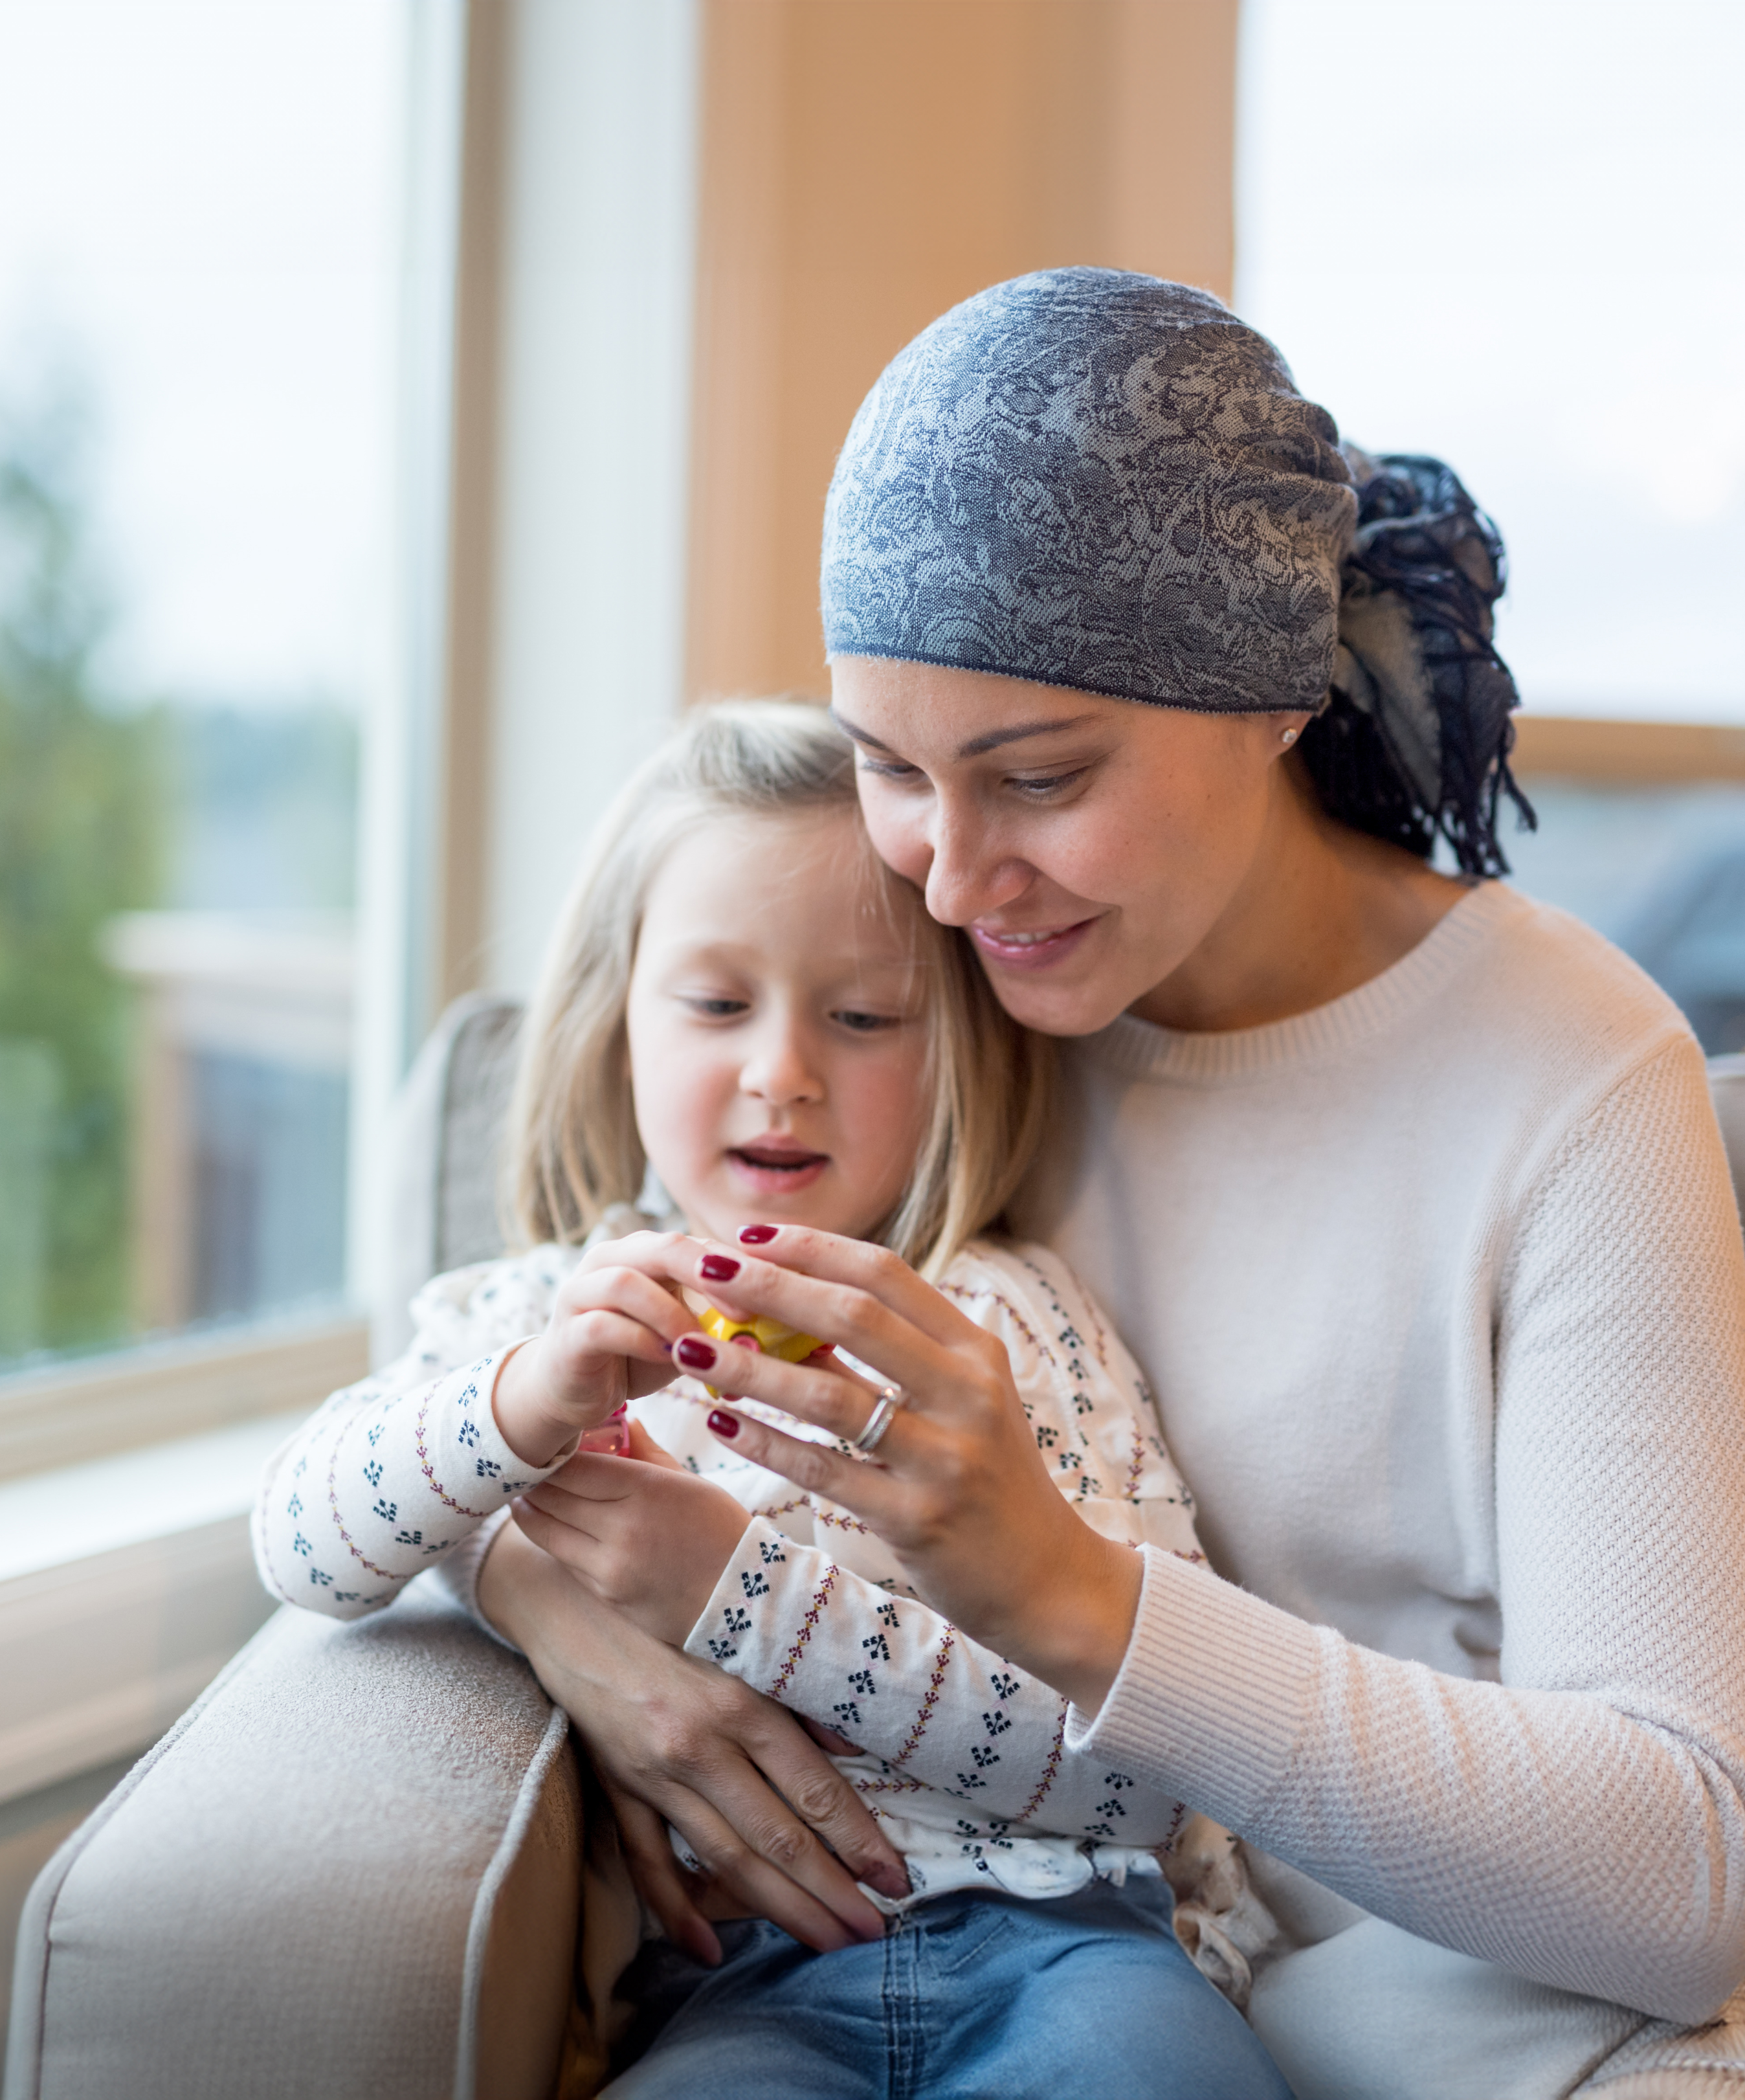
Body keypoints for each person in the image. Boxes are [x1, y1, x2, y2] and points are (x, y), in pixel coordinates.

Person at [471, 269, 1745, 2098]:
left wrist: (1074, 1593)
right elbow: (513, 1360)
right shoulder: (933, 1032)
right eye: (893, 770)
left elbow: (1688, 1877)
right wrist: (555, 1604)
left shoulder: (1571, 1072)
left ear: (1276, 698)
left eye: (1043, 775)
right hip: (1082, 2018)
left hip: (1561, 2042)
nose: (953, 874)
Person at [251, 700, 1293, 2099]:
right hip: (730, 1998)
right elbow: (302, 1541)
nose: (782, 1072)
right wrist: (513, 1411)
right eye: (716, 1002)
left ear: (959, 1050)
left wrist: (739, 1595)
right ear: (615, 1024)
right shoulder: (530, 1314)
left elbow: (1147, 1776)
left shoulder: (1000, 1320)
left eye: (863, 1015)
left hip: (1067, 1949)